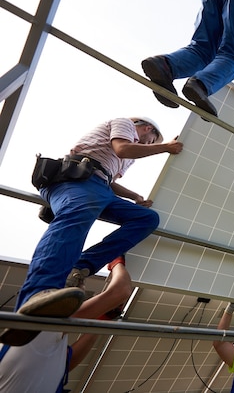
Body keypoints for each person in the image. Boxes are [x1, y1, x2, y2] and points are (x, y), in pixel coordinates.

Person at [0, 117, 183, 347]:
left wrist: (134, 196)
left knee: (146, 219)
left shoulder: (124, 160)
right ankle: (36, 296)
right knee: (75, 217)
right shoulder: (125, 125)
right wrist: (164, 147)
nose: (148, 145)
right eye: (150, 140)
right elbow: (123, 149)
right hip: (77, 180)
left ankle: (81, 266)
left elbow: (109, 179)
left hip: (99, 187)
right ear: (147, 129)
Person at [0, 258, 133, 393]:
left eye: (79, 281)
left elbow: (120, 292)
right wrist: (116, 262)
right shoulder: (42, 345)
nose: (83, 287)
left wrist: (116, 262)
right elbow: (119, 292)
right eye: (80, 282)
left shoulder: (39, 331)